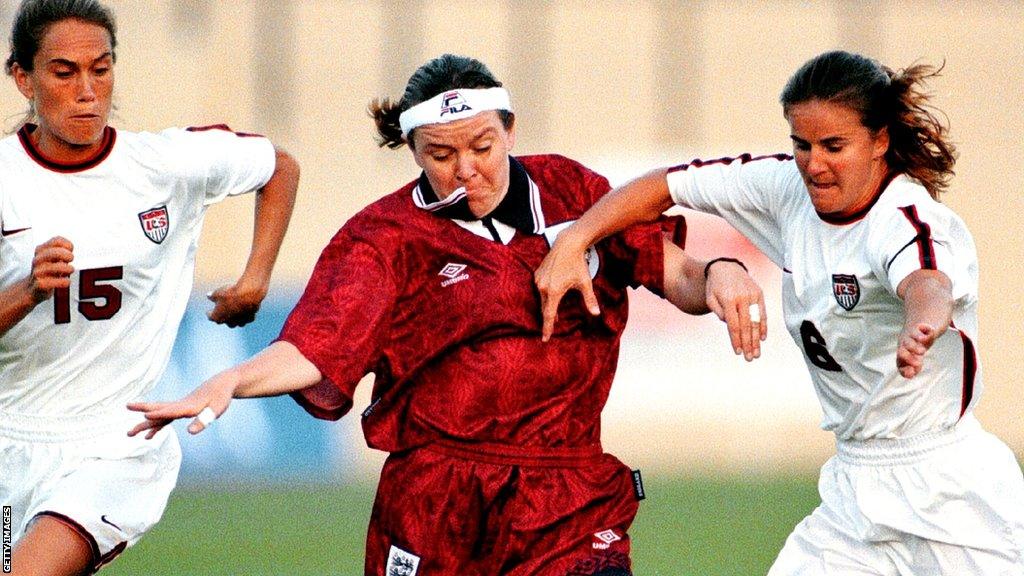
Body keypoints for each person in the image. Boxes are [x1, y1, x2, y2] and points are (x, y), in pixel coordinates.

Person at [127, 53, 765, 576]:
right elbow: (315, 349)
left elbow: (672, 268)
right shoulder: (383, 239)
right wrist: (231, 380)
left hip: (565, 492)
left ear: (510, 129)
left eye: (483, 145)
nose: (467, 169)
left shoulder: (573, 193)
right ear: (411, 150)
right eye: (440, 154)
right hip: (438, 500)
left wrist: (720, 273)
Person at [535, 50, 1024, 575]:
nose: (814, 163)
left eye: (834, 146)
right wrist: (575, 240)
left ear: (880, 141)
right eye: (802, 144)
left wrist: (920, 323)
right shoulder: (786, 189)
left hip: (950, 491)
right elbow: (661, 187)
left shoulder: (905, 219)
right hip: (854, 492)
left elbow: (928, 282)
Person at [0, 0, 299, 574]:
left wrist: (254, 278)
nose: (88, 90)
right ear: (23, 78)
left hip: (118, 439)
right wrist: (25, 292)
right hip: (13, 436)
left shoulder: (165, 165)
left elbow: (278, 166)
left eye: (101, 68)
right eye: (65, 72)